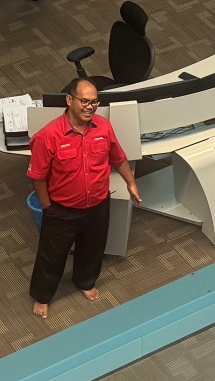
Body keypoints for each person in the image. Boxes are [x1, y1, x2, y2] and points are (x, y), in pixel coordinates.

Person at [25, 76, 140, 319]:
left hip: (97, 204)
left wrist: (131, 182)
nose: (90, 107)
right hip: (61, 210)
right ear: (70, 100)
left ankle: (85, 281)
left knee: (92, 248)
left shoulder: (103, 127)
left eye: (94, 102)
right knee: (52, 255)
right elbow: (38, 177)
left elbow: (118, 157)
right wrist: (48, 208)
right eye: (85, 101)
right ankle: (42, 296)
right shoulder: (48, 135)